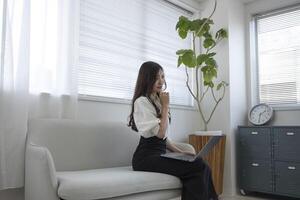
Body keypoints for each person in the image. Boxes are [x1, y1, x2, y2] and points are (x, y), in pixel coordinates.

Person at [128, 61, 218, 200]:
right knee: (197, 166)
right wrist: (166, 106)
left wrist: (180, 152)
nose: (161, 81)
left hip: (159, 154)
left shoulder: (157, 100)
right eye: (156, 77)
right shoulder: (141, 102)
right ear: (146, 79)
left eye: (163, 77)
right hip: (145, 158)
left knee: (200, 162)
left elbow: (164, 139)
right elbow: (160, 133)